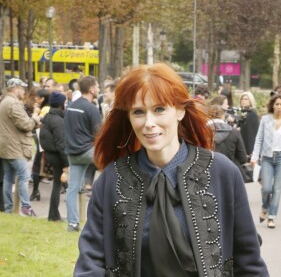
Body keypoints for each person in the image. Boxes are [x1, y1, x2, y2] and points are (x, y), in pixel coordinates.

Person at [74, 63, 269, 276]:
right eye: (138, 112)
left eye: (159, 109)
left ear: (179, 110)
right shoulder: (111, 180)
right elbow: (90, 263)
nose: (149, 122)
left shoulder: (222, 173)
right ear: (129, 118)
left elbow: (249, 262)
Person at [250, 94, 281, 229]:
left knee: (277, 189)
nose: (279, 107)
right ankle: (265, 207)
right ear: (272, 105)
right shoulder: (265, 120)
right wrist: (254, 157)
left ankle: (271, 216)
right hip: (267, 158)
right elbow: (259, 139)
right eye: (277, 104)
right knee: (266, 188)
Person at [64, 76, 101, 232]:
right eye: (98, 86)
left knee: (72, 189)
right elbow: (99, 133)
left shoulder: (71, 106)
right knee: (116, 172)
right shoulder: (91, 108)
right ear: (91, 89)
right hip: (88, 151)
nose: (99, 89)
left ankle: (72, 223)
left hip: (72, 152)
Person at [0, 78, 40, 216]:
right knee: (24, 176)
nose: (24, 91)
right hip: (15, 147)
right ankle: (26, 207)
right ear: (15, 88)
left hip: (6, 147)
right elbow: (25, 125)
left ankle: (9, 209)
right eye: (22, 88)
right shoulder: (13, 104)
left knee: (8, 178)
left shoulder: (4, 101)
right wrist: (34, 120)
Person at [39, 91, 69, 221]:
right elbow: (61, 144)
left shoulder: (47, 117)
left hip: (50, 153)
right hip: (57, 155)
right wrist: (66, 164)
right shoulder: (58, 120)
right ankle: (54, 215)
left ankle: (54, 214)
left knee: (59, 184)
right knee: (57, 184)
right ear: (61, 104)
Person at [208, 105, 249, 182]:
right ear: (223, 116)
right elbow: (243, 159)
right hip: (231, 174)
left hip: (209, 174)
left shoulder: (201, 133)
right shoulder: (234, 132)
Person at [239, 92, 260, 159]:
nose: (243, 101)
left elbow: (252, 133)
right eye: (242, 99)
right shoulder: (242, 112)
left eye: (246, 99)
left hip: (248, 148)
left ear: (250, 101)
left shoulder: (251, 114)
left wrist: (252, 151)